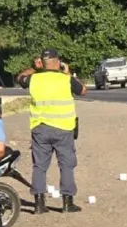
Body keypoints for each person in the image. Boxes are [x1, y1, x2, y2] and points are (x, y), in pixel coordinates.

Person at [16, 48, 88, 214]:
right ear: (58, 62)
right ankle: (67, 203)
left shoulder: (34, 78)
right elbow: (83, 90)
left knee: (39, 166)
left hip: (40, 128)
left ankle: (39, 204)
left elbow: (20, 78)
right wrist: (68, 72)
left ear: (42, 62)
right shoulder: (65, 79)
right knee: (66, 165)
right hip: (63, 128)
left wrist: (34, 68)